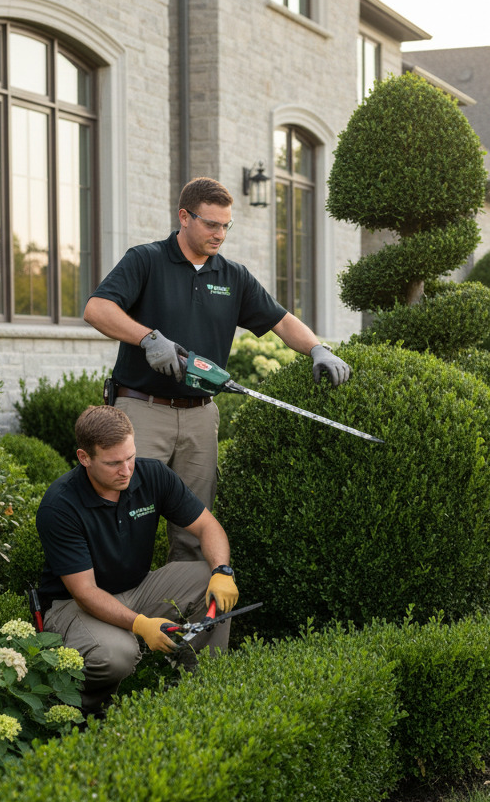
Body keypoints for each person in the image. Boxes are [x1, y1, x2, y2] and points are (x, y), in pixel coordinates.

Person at [84, 176, 349, 563]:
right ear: (184, 217)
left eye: (226, 225)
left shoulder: (233, 276)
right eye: (211, 223)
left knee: (194, 524)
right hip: (142, 410)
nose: (220, 234)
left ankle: (186, 615)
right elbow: (97, 309)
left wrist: (318, 349)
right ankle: (120, 612)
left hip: (200, 417)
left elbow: (281, 319)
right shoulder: (146, 260)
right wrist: (148, 339)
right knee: (126, 514)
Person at [35, 405, 240, 716]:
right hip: (73, 605)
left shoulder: (152, 475)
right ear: (84, 458)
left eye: (130, 457)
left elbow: (207, 526)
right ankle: (82, 716)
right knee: (118, 655)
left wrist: (222, 571)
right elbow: (85, 592)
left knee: (206, 578)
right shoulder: (60, 506)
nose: (127, 470)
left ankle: (201, 691)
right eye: (114, 463)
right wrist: (141, 625)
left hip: (137, 588)